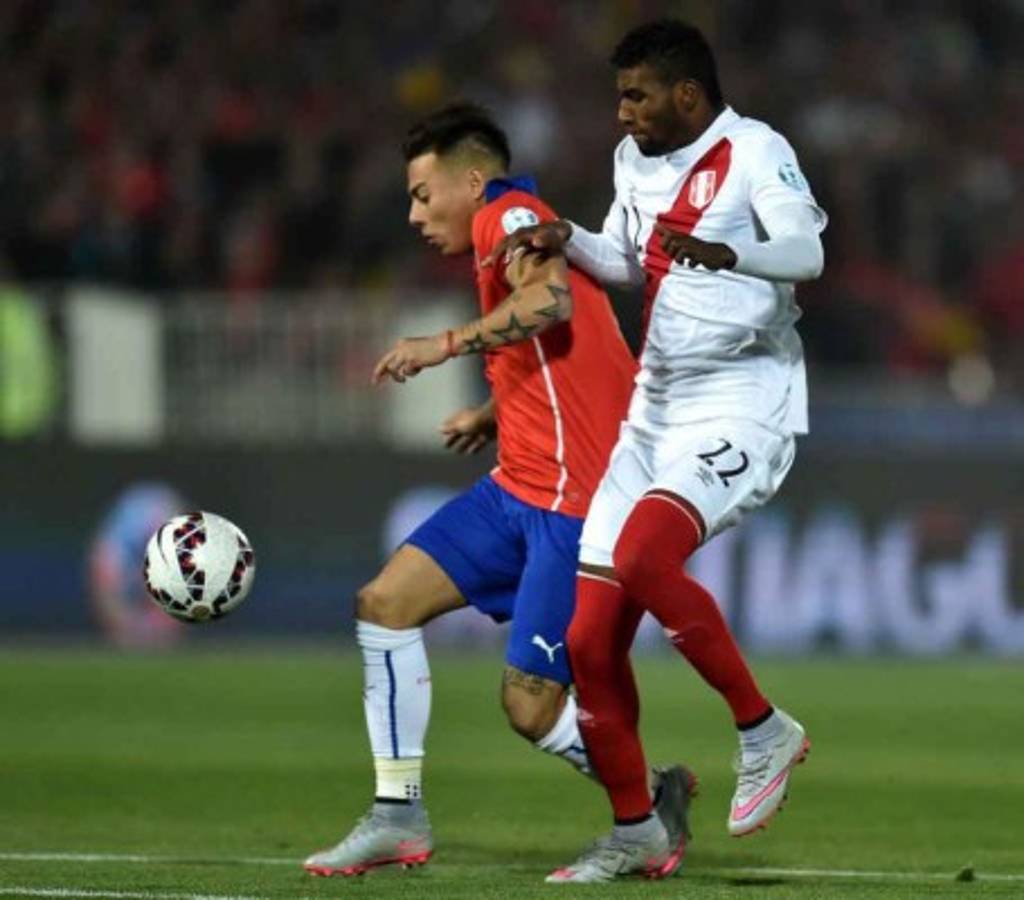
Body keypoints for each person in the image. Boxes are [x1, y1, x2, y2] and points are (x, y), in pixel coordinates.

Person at [304, 103, 696, 878]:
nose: (414, 214)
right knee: (384, 605)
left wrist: (442, 345)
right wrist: (495, 410)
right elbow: (565, 344)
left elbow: (546, 300)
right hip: (517, 486)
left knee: (530, 708)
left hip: (572, 505)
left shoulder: (507, 212)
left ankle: (649, 805)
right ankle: (397, 815)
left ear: (471, 180)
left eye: (423, 194)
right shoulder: (500, 226)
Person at [489, 19, 827, 883]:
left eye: (636, 94)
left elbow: (808, 251)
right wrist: (571, 237)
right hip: (656, 409)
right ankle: (636, 828)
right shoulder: (632, 163)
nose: (622, 111)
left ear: (686, 93)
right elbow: (632, 263)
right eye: (619, 95)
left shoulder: (755, 150)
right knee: (591, 641)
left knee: (644, 553)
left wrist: (730, 252)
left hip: (743, 403)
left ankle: (763, 728)